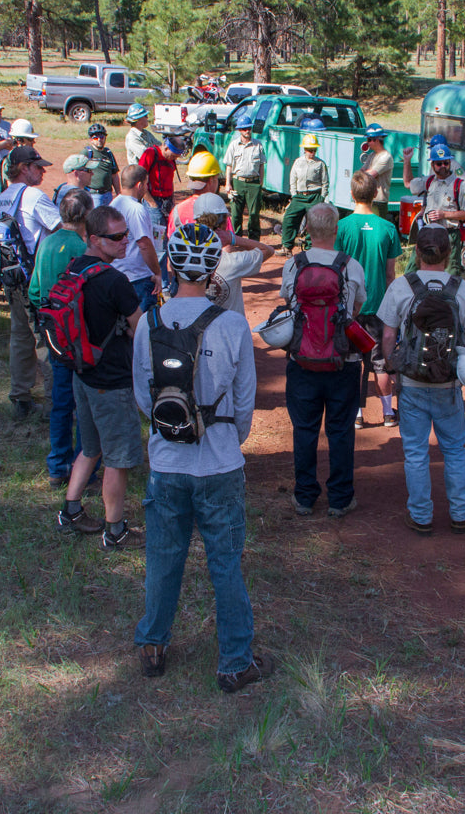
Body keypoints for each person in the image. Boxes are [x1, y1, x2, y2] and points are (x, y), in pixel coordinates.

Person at [132, 222, 270, 693]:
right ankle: (234, 661)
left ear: (170, 265)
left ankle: (152, 643)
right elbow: (246, 400)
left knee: (163, 555)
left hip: (167, 462)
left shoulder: (148, 323)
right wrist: (232, 439)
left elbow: (140, 396)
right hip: (219, 464)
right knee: (225, 561)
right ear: (215, 270)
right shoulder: (232, 324)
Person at [379, 226, 465, 536]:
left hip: (412, 382)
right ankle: (461, 513)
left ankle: (421, 515)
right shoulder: (462, 289)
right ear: (448, 254)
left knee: (415, 451)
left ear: (415, 252)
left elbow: (388, 335)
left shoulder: (401, 286)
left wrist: (392, 366)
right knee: (454, 450)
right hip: (448, 384)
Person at [54, 205, 147, 551]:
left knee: (90, 448)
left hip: (83, 374)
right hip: (112, 381)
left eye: (127, 234)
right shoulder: (114, 280)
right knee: (118, 459)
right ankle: (115, 529)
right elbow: (141, 329)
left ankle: (71, 510)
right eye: (117, 237)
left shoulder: (75, 268)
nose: (126, 242)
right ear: (94, 239)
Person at [281, 203, 367, 517]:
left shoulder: (293, 265)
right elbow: (356, 308)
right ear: (335, 231)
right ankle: (340, 499)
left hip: (302, 359)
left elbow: (288, 303)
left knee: (304, 429)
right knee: (341, 430)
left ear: (307, 231)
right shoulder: (351, 265)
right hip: (343, 360)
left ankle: (304, 497)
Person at [32, 189, 94, 494]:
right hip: (77, 333)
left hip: (52, 332)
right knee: (83, 403)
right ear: (86, 216)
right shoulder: (81, 247)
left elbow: (33, 290)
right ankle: (86, 470)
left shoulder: (47, 243)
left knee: (60, 402)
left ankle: (57, 466)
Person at [0, 143, 62, 419]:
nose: (42, 172)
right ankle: (53, 404)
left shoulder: (5, 196)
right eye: (37, 167)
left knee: (20, 338)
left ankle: (20, 396)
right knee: (45, 340)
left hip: (12, 277)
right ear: (24, 169)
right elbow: (62, 228)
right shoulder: (33, 195)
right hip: (35, 278)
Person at [335, 171, 402, 429]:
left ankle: (356, 416)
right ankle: (387, 414)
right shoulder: (387, 228)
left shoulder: (341, 227)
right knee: (381, 362)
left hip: (350, 308)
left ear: (352, 194)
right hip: (378, 307)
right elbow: (390, 274)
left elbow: (337, 269)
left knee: (352, 361)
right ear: (376, 194)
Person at [403, 136, 465, 276]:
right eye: (439, 164)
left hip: (449, 235)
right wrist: (407, 161)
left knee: (449, 276)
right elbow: (408, 184)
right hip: (428, 232)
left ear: (450, 162)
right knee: (411, 272)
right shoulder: (429, 181)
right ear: (432, 165)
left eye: (446, 163)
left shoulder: (460, 185)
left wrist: (444, 214)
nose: (443, 167)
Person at [195, 194, 273, 315]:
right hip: (231, 329)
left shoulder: (186, 258)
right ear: (223, 223)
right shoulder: (232, 262)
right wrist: (233, 239)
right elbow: (268, 250)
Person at [109, 164, 162, 311]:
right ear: (139, 185)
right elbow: (144, 244)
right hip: (138, 277)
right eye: (146, 184)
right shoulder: (136, 209)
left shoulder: (113, 204)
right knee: (143, 326)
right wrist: (157, 272)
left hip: (118, 273)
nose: (146, 188)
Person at [281, 133, 329, 254]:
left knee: (314, 222)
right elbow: (293, 178)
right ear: (304, 149)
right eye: (309, 150)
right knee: (289, 218)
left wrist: (322, 197)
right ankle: (287, 246)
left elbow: (325, 182)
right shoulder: (298, 162)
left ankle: (309, 248)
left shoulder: (320, 164)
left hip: (315, 196)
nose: (311, 152)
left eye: (314, 150)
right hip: (299, 196)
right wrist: (294, 194)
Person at [225, 116, 265, 241]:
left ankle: (253, 241)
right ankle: (236, 239)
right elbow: (229, 166)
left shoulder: (258, 145)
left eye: (248, 128)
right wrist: (228, 184)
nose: (247, 131)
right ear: (239, 130)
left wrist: (261, 183)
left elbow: (262, 165)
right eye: (244, 129)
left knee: (254, 215)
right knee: (236, 214)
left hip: (254, 183)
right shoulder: (233, 145)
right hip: (238, 182)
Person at [138, 127, 183, 231]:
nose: (174, 159)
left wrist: (172, 199)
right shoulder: (150, 154)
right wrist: (151, 203)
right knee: (157, 234)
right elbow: (140, 179)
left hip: (167, 201)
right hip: (153, 200)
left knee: (169, 231)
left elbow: (170, 179)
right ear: (166, 148)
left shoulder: (170, 159)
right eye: (173, 156)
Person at [84, 123, 120, 208]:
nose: (99, 140)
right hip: (94, 194)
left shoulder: (108, 153)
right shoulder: (87, 153)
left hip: (108, 194)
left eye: (102, 137)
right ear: (91, 140)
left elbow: (114, 175)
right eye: (95, 138)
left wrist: (118, 192)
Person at [360, 123, 393, 207]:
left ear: (377, 140)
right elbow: (362, 172)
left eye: (369, 140)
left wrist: (364, 173)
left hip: (379, 202)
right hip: (369, 199)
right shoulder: (371, 155)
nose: (367, 143)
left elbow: (370, 175)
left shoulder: (386, 157)